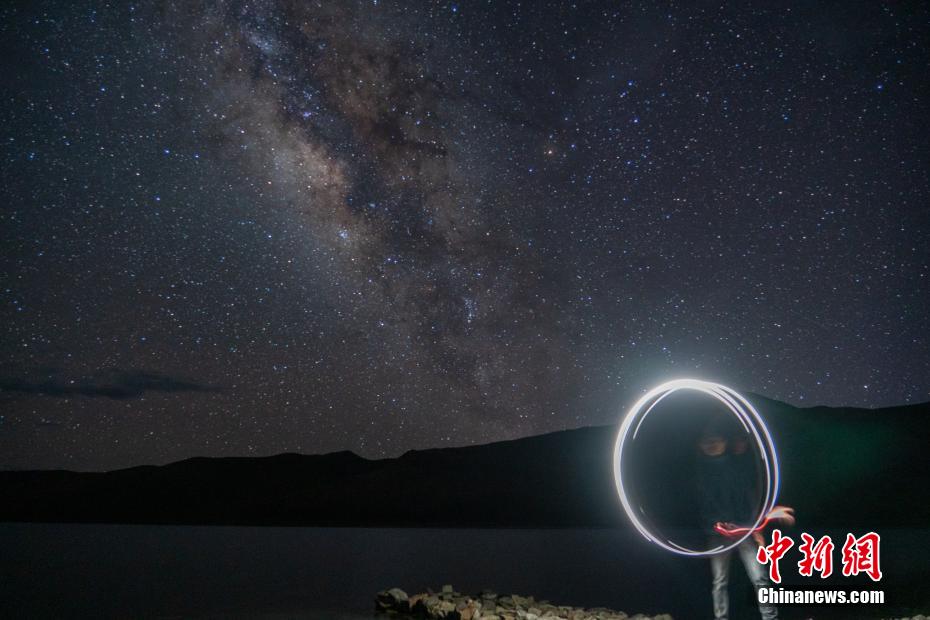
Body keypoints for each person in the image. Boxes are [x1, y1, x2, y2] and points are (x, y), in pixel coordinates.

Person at [696, 422, 777, 620]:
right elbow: (703, 504)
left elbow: (749, 498)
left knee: (759, 577)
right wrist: (717, 524)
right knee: (720, 580)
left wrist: (751, 526)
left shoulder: (738, 466)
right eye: (708, 442)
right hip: (717, 533)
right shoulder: (700, 472)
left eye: (716, 441)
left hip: (743, 530)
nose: (712, 445)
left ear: (725, 442)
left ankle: (770, 618)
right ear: (700, 445)